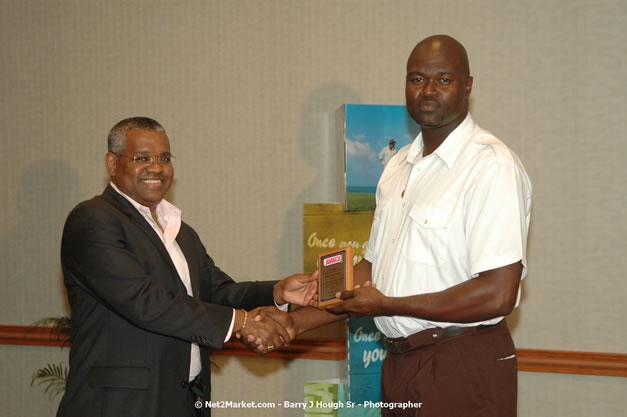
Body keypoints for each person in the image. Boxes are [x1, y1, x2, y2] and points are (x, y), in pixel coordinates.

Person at [272, 35, 532, 417]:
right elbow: (375, 269)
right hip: (399, 364)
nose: (427, 90)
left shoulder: (491, 165)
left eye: (443, 80)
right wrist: (294, 322)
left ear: (468, 86)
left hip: (461, 361)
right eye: (416, 79)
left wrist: (389, 304)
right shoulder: (397, 167)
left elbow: (498, 294)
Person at [56, 117, 317, 417]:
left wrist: (278, 291)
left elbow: (217, 291)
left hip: (185, 400)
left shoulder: (180, 231)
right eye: (142, 158)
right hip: (121, 405)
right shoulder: (93, 220)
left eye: (164, 158)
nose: (156, 167)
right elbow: (145, 301)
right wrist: (243, 322)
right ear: (112, 164)